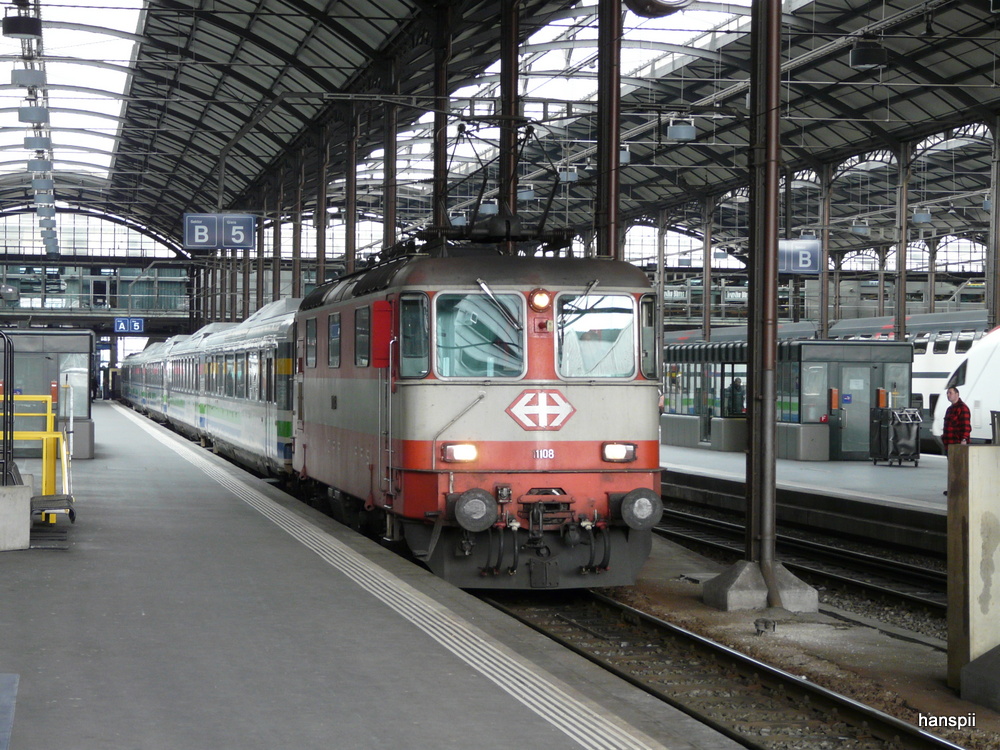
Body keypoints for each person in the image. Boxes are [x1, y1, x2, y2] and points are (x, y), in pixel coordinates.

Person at [941, 386, 971, 495]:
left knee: (959, 468)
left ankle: (960, 490)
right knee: (953, 468)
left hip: (957, 443)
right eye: (947, 393)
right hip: (949, 444)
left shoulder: (963, 408)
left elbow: (966, 426)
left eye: (950, 393)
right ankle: (953, 489)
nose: (948, 395)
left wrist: (963, 439)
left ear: (957, 394)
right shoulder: (950, 409)